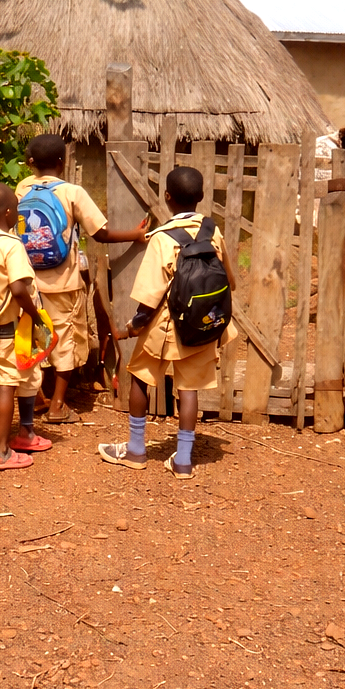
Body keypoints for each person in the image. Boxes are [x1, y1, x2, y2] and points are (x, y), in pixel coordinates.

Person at [97, 165, 237, 480]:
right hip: (202, 324)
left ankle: (135, 449)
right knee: (189, 389)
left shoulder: (162, 238)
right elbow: (229, 279)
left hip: (165, 327)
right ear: (201, 197)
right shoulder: (212, 230)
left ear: (167, 197)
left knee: (140, 379)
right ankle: (184, 460)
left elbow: (150, 296)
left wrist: (134, 326)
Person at [15, 134, 149, 423]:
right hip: (62, 281)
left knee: (35, 336)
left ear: (31, 164)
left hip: (26, 279)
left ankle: (39, 397)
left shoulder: (23, 188)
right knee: (63, 340)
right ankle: (58, 406)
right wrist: (135, 236)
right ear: (62, 163)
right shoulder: (72, 192)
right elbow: (99, 233)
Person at [0, 182, 53, 471]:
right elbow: (18, 288)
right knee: (7, 386)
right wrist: (35, 314)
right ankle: (1, 451)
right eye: (15, 209)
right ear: (7, 213)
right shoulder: (11, 245)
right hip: (2, 329)